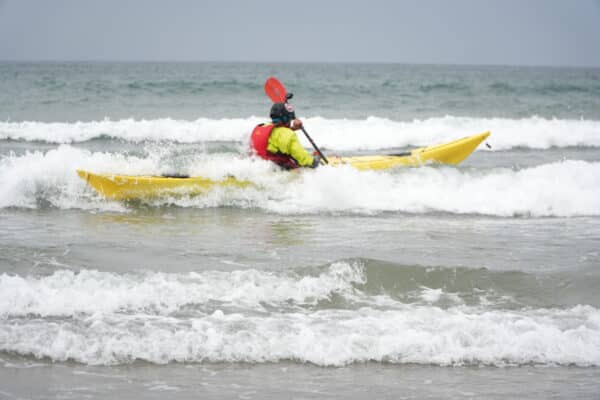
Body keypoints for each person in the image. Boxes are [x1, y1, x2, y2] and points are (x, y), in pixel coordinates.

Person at [250, 102, 321, 169]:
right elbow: (304, 159)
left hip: (259, 165)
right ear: (286, 119)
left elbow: (277, 135)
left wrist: (292, 128)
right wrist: (315, 160)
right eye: (290, 118)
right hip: (278, 170)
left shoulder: (261, 127)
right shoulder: (289, 135)